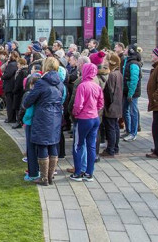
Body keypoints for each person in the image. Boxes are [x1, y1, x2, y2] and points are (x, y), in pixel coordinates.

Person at [22, 57, 64, 186]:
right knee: (52, 145)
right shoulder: (60, 83)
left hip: (43, 116)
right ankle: (50, 176)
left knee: (42, 145)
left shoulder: (42, 83)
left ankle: (44, 178)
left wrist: (27, 102)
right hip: (56, 116)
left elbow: (29, 100)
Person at [70, 63, 104, 182]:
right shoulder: (97, 86)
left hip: (84, 118)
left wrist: (75, 113)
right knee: (91, 146)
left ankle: (78, 172)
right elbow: (101, 103)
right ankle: (89, 173)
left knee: (78, 145)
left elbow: (78, 104)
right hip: (95, 118)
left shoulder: (82, 86)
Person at [101, 53, 123, 158]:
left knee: (111, 128)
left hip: (111, 106)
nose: (104, 62)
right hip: (117, 104)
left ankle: (110, 149)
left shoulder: (112, 75)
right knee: (115, 126)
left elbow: (109, 92)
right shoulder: (118, 73)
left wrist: (107, 105)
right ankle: (115, 147)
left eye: (106, 60)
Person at [122, 44, 143, 141]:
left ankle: (133, 133)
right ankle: (128, 130)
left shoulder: (133, 63)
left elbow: (134, 80)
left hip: (132, 93)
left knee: (133, 112)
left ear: (130, 50)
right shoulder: (128, 60)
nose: (124, 50)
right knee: (125, 110)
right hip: (126, 91)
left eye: (126, 48)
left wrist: (130, 93)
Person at [1, 52, 19, 123]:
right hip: (12, 86)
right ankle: (12, 118)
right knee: (11, 103)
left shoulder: (11, 65)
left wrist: (2, 76)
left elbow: (7, 75)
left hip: (9, 86)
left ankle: (10, 118)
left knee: (9, 103)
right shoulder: (15, 64)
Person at [12, 57, 29, 129]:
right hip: (19, 92)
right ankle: (18, 121)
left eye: (18, 64)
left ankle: (19, 122)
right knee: (17, 107)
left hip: (19, 92)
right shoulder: (22, 71)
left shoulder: (22, 72)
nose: (17, 65)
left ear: (22, 64)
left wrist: (14, 90)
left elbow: (19, 83)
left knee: (18, 107)